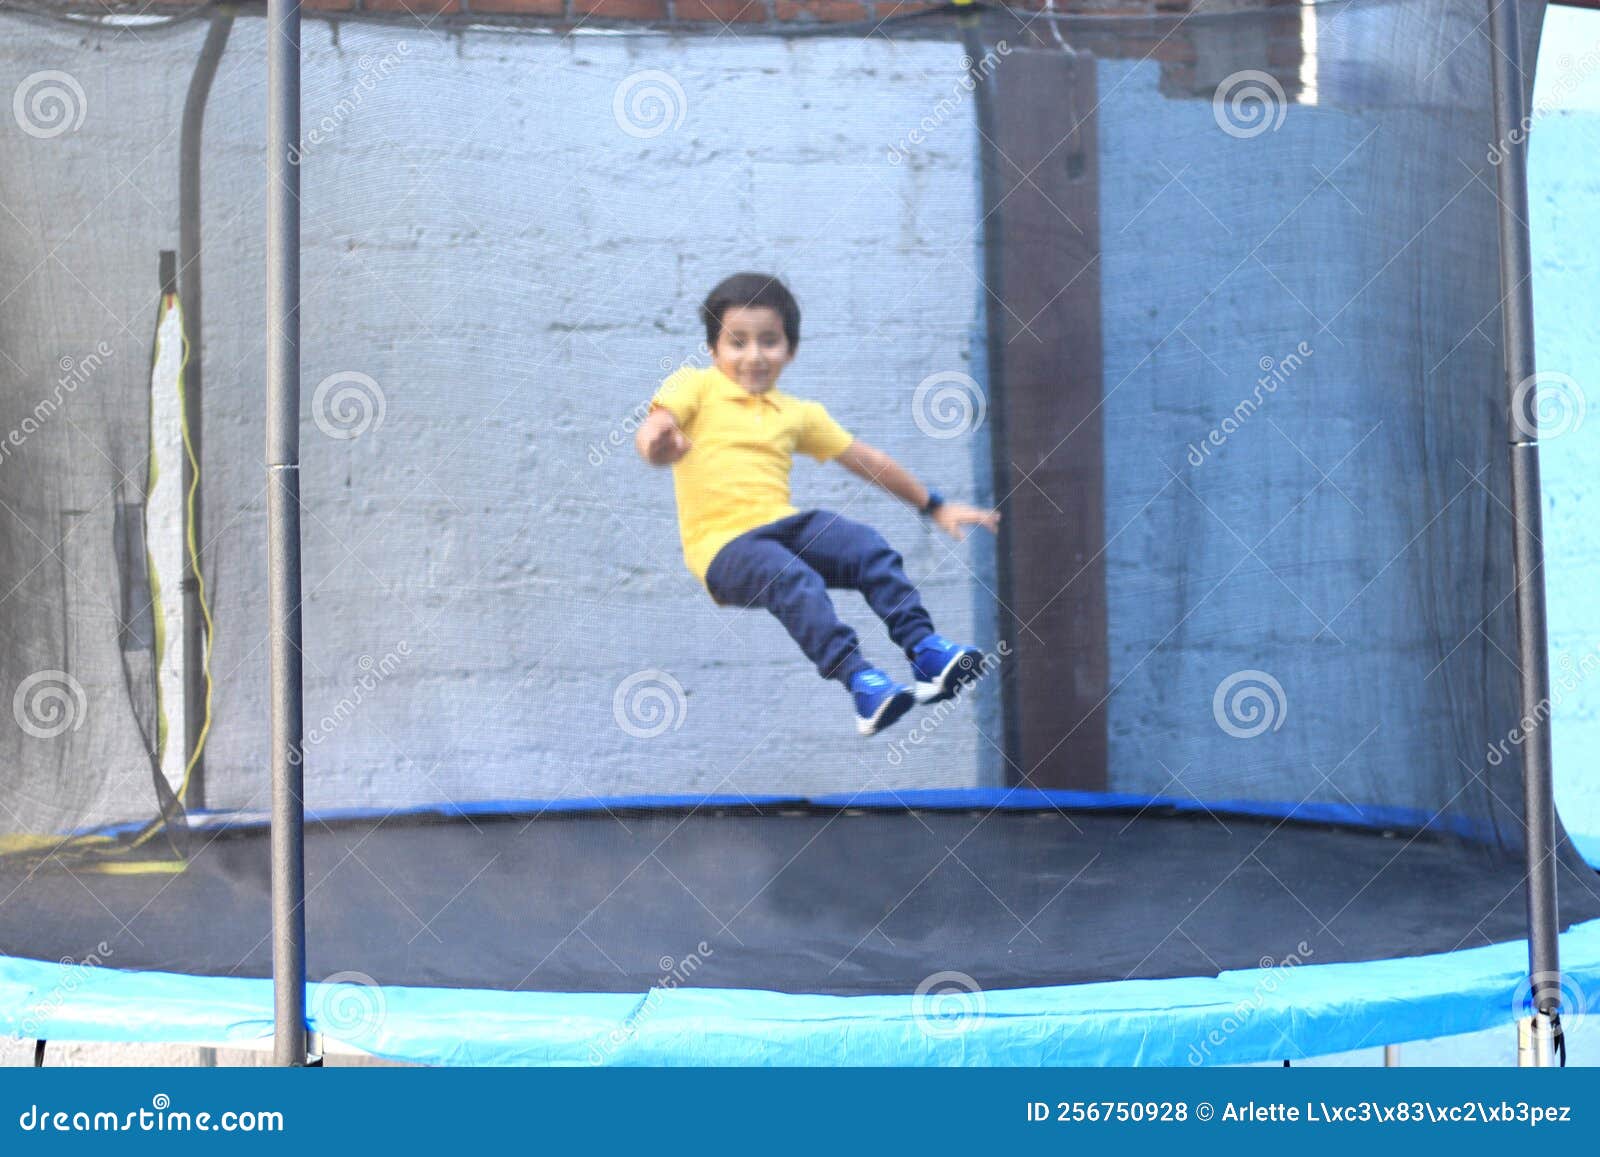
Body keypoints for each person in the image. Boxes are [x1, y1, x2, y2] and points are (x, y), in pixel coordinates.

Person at [636, 272, 1000, 736]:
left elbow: (867, 459)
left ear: (791, 350)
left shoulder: (797, 413)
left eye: (769, 342)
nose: (753, 356)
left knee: (868, 548)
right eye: (737, 342)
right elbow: (656, 427)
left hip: (784, 526)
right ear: (713, 350)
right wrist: (656, 445)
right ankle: (862, 683)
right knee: (793, 578)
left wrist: (934, 506)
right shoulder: (696, 387)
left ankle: (925, 651)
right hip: (724, 549)